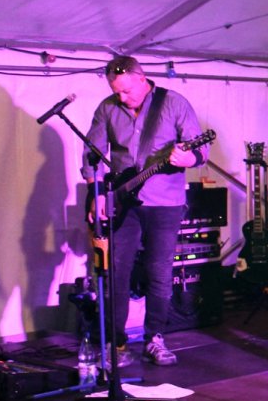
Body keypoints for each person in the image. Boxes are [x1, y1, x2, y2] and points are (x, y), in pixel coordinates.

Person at [84, 56, 209, 367]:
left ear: (142, 79)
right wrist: (96, 194)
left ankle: (155, 338)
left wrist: (188, 159)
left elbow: (200, 151)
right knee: (117, 271)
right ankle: (116, 343)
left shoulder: (174, 103)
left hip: (165, 202)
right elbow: (92, 155)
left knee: (159, 272)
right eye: (116, 91)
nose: (121, 97)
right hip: (122, 202)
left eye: (126, 91)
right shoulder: (107, 108)